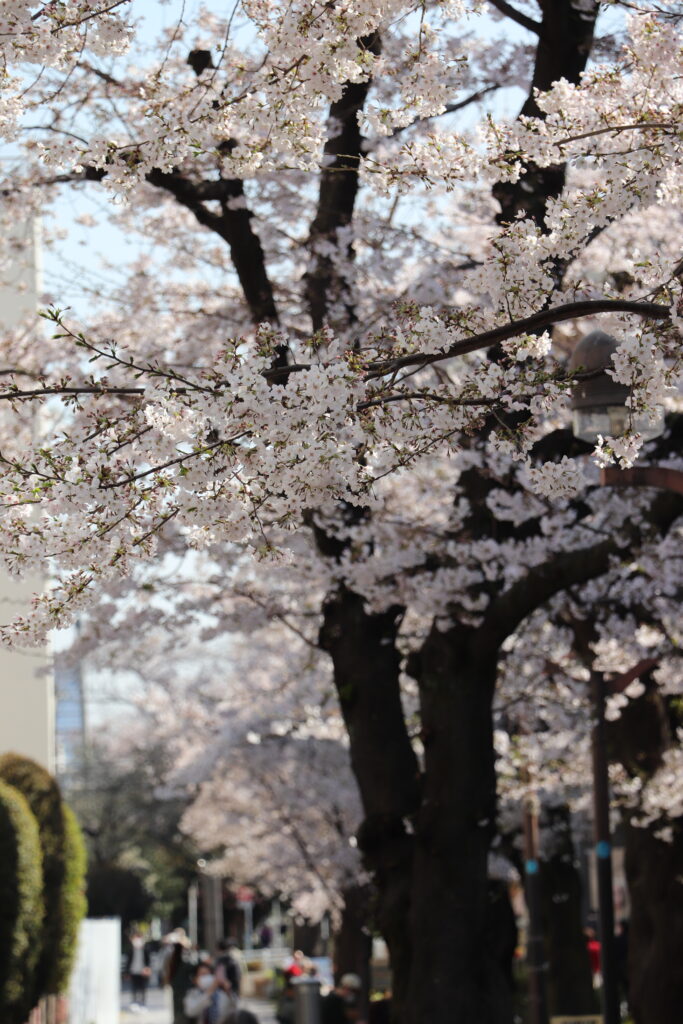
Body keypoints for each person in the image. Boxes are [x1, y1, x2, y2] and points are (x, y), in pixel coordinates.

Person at [126, 930, 152, 1008]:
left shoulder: (145, 949)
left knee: (143, 987)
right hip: (134, 970)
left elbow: (148, 960)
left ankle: (143, 1003)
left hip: (143, 971)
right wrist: (127, 972)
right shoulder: (131, 949)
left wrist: (147, 969)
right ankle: (134, 1002)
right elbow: (129, 960)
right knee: (134, 987)